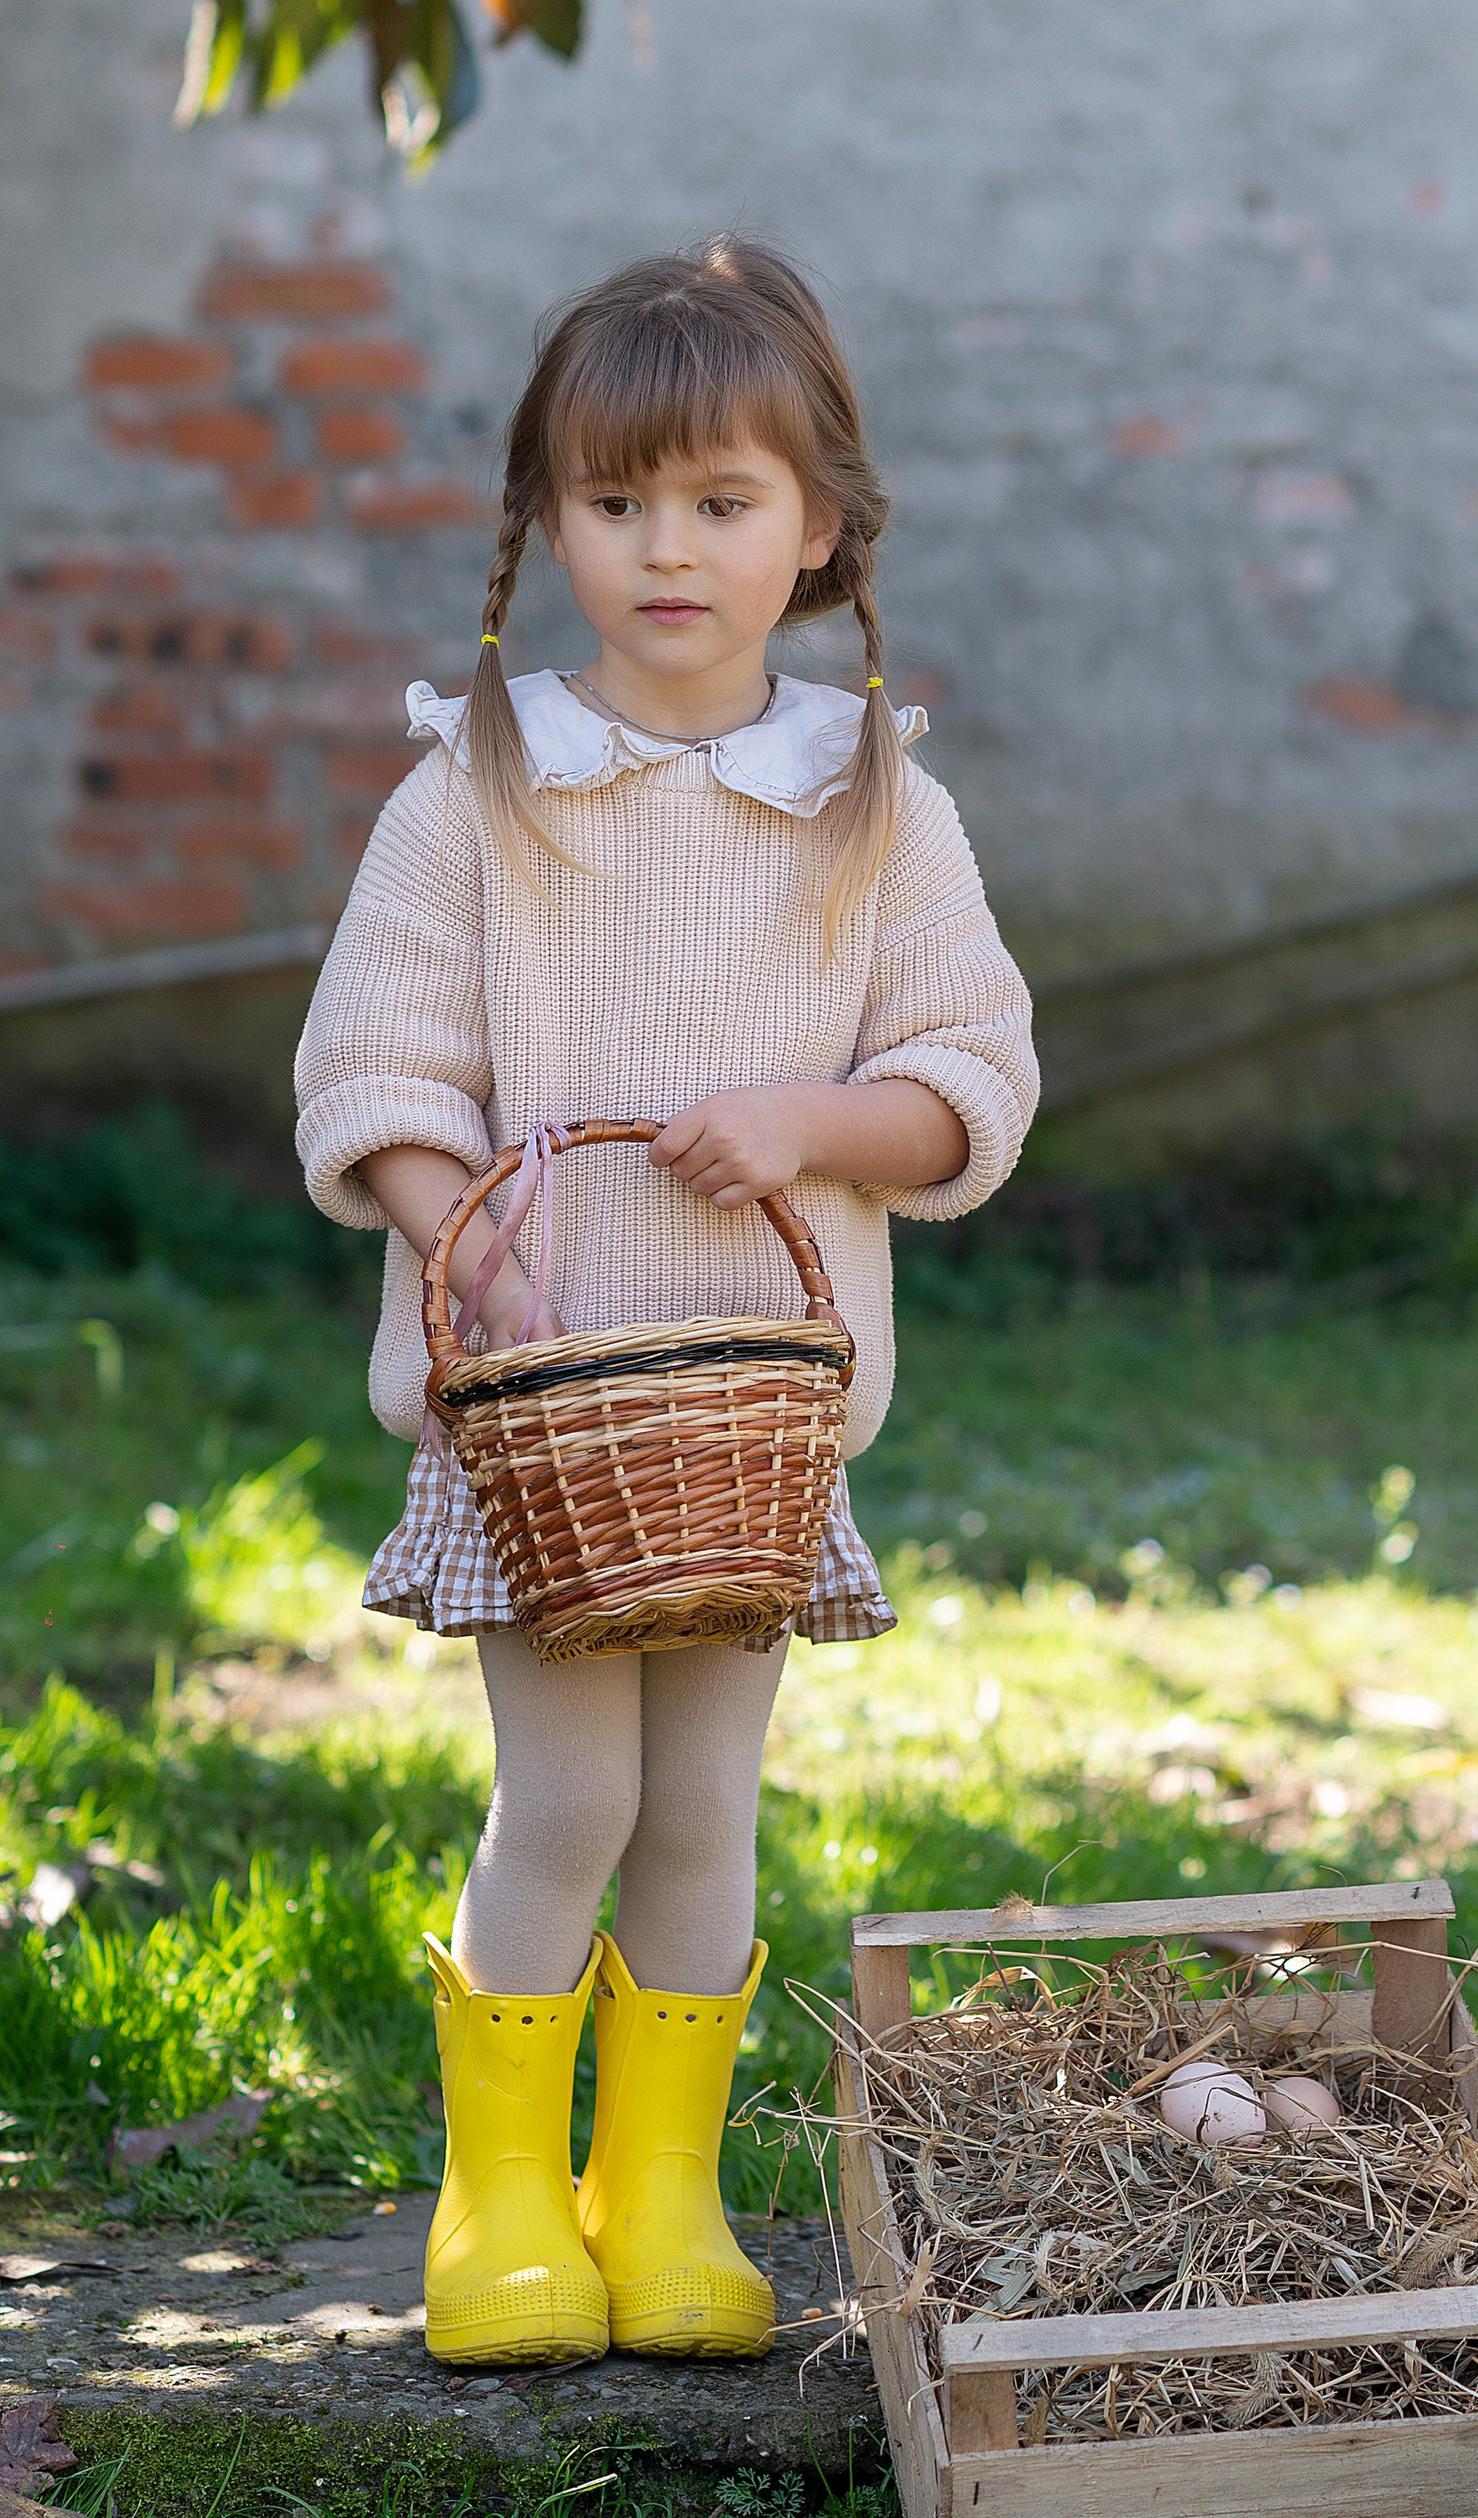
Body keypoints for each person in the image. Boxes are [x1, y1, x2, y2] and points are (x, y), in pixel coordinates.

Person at [296, 239, 1036, 2373]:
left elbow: (967, 1082)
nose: (667, 549)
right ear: (549, 524)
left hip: (750, 1427)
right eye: (615, 503)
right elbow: (377, 1065)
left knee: (707, 1805)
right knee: (569, 1800)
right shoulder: (480, 785)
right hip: (544, 1410)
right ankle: (502, 2199)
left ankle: (670, 2192)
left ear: (819, 529)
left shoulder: (873, 801)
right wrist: (461, 1215)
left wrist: (814, 1115)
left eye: (722, 503)